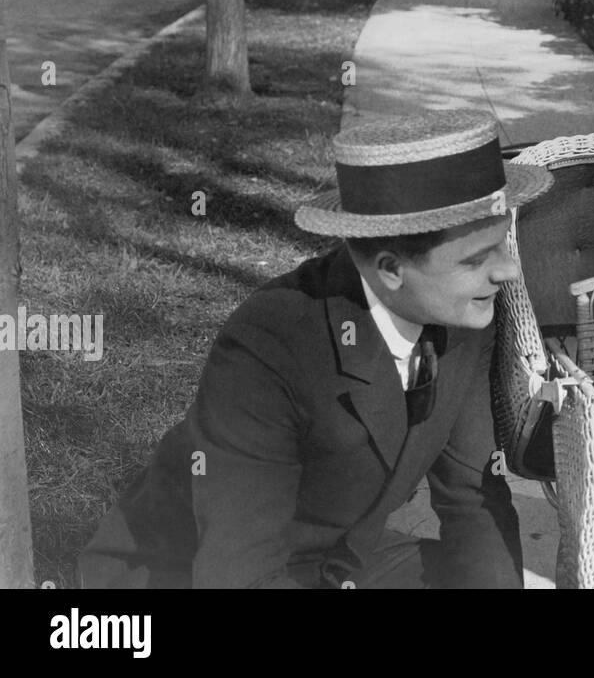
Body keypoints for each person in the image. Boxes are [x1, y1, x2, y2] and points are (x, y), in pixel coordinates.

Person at [79, 110, 553, 589]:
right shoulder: (268, 346)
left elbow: (472, 496)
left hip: (339, 563)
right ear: (390, 268)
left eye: (500, 246)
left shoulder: (465, 311)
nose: (507, 271)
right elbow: (239, 573)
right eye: (477, 260)